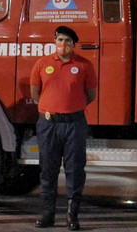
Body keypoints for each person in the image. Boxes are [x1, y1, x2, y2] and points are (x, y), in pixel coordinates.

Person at [30, 26, 97, 230]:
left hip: (74, 124)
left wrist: (71, 107)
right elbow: (35, 93)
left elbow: (90, 95)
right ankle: (48, 214)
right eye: (60, 39)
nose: (63, 44)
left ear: (73, 44)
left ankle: (72, 215)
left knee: (75, 170)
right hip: (48, 124)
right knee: (48, 169)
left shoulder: (84, 65)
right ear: (54, 41)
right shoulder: (42, 64)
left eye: (67, 40)